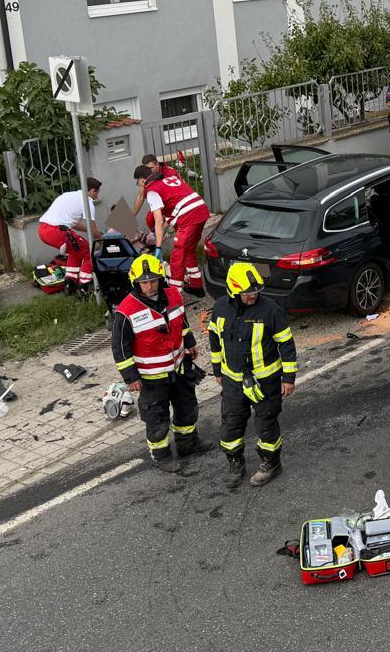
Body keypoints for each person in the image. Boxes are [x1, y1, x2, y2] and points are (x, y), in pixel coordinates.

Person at [111, 254, 208, 470]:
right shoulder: (126, 310)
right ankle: (161, 455)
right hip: (151, 376)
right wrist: (131, 377)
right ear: (135, 282)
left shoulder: (173, 295)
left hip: (180, 367)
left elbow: (181, 321)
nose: (148, 285)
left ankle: (187, 444)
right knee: (157, 417)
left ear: (160, 278)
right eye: (143, 282)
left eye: (153, 280)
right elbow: (120, 347)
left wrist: (190, 341)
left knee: (187, 408)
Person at [208, 262, 297, 485]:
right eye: (248, 292)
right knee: (231, 424)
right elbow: (215, 341)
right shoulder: (220, 308)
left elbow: (286, 343)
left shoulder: (270, 309)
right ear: (234, 290)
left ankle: (271, 463)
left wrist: (288, 378)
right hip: (233, 381)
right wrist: (217, 370)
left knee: (266, 424)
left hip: (265, 380)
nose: (253, 295)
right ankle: (235, 463)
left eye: (256, 289)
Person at [133, 158, 211, 297]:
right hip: (201, 209)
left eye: (137, 183)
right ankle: (196, 285)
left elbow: (158, 221)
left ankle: (175, 295)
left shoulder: (152, 191)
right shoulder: (165, 179)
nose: (139, 186)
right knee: (189, 250)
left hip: (189, 216)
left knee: (177, 254)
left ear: (141, 179)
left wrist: (157, 247)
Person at [37, 177, 101, 294]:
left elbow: (74, 224)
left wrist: (90, 231)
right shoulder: (87, 202)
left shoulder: (68, 195)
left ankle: (69, 284)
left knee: (75, 250)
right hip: (57, 231)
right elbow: (93, 228)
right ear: (92, 191)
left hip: (43, 229)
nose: (97, 196)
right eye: (97, 193)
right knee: (88, 250)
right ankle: (84, 286)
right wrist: (102, 240)